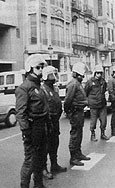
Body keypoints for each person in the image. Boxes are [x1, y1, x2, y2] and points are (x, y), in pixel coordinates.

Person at [15, 54, 48, 188]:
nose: (41, 69)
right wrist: (26, 131)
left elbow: (44, 108)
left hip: (41, 126)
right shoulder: (24, 88)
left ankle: (38, 184)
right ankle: (25, 186)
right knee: (30, 160)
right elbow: (20, 113)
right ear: (30, 69)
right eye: (38, 67)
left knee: (40, 158)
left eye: (42, 67)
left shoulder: (39, 87)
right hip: (32, 127)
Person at [41, 66, 67, 179]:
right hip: (47, 122)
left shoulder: (54, 89)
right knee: (46, 147)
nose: (55, 78)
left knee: (54, 144)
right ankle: (43, 169)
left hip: (55, 122)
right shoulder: (43, 89)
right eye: (52, 75)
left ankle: (54, 165)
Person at [64, 62, 90, 166]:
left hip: (79, 111)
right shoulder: (73, 84)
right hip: (75, 112)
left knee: (79, 133)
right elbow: (68, 100)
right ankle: (73, 157)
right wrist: (69, 112)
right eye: (81, 75)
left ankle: (78, 153)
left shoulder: (77, 83)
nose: (83, 77)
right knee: (75, 135)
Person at [85, 65, 109, 142]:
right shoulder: (90, 82)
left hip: (102, 103)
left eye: (100, 73)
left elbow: (105, 90)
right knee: (93, 121)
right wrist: (88, 102)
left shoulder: (103, 81)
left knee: (103, 120)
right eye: (97, 73)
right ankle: (92, 134)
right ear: (95, 73)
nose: (99, 74)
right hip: (93, 104)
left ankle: (103, 133)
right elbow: (86, 92)